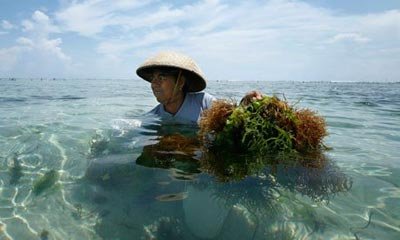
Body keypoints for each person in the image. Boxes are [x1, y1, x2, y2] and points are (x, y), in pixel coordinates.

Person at [136, 51, 263, 125]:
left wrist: (246, 102)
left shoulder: (204, 102)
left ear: (180, 82)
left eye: (162, 77)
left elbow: (234, 116)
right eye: (153, 78)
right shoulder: (153, 117)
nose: (154, 83)